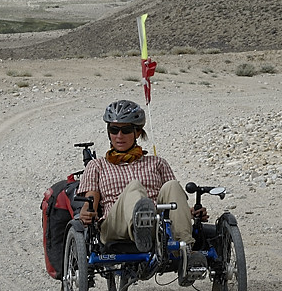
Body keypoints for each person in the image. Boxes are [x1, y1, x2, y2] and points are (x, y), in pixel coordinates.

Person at [76, 99, 204, 252]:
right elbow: (90, 202)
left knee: (172, 186)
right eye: (114, 130)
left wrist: (191, 212)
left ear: (137, 132)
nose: (119, 136)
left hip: (157, 222)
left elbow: (174, 201)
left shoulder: (157, 163)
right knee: (135, 188)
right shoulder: (98, 165)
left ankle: (185, 248)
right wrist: (86, 212)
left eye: (126, 130)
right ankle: (139, 229)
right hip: (116, 225)